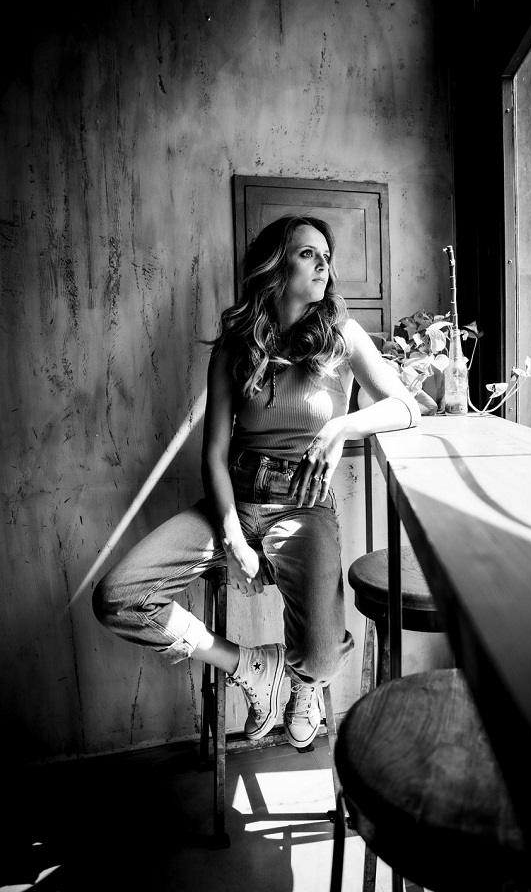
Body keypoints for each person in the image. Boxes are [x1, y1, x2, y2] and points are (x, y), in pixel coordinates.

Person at [93, 215, 420, 749]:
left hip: (305, 507)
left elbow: (407, 407)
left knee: (320, 658)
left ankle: (303, 684)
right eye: (308, 254)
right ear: (275, 265)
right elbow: (214, 454)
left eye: (326, 255)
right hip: (234, 502)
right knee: (118, 597)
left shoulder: (341, 334)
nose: (323, 264)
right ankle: (251, 667)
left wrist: (341, 426)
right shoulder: (236, 345)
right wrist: (233, 539)